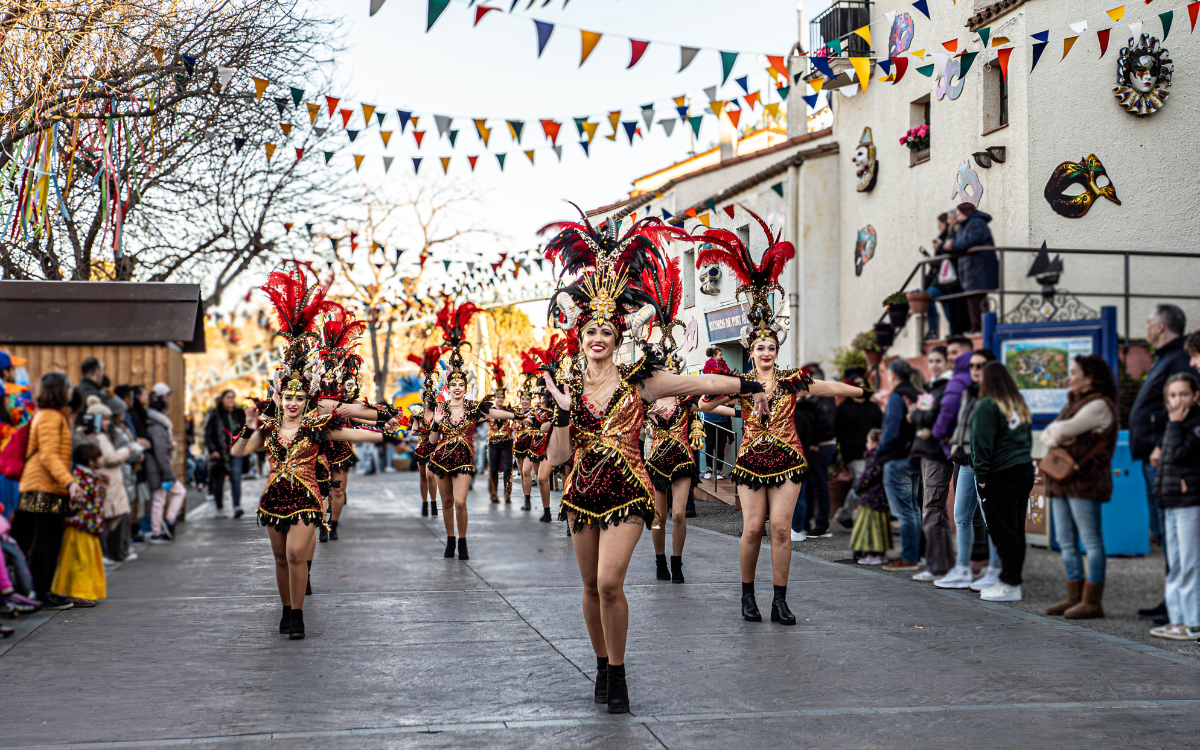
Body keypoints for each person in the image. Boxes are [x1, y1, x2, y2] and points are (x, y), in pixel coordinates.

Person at [538, 210, 777, 714]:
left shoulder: (639, 380)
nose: (598, 337)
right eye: (590, 332)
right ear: (579, 340)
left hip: (628, 488)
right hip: (580, 491)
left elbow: (699, 384)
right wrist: (561, 415)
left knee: (609, 582)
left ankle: (620, 674)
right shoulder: (571, 389)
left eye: (606, 329)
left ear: (618, 334)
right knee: (587, 586)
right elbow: (558, 458)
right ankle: (601, 665)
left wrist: (750, 384)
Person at [688, 210, 867, 626]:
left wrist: (862, 391)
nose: (766, 352)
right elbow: (703, 406)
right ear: (751, 351)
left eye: (771, 346)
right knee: (753, 529)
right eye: (760, 347)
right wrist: (730, 399)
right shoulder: (741, 382)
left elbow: (827, 387)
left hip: (788, 457)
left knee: (782, 530)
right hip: (750, 458)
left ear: (777, 350)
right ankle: (747, 596)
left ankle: (780, 600)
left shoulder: (790, 381)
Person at [427, 300, 519, 561]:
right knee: (446, 503)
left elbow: (495, 412)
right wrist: (436, 421)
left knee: (459, 502)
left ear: (465, 386)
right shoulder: (440, 407)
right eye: (453, 382)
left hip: (464, 457)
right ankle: (450, 539)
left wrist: (519, 414)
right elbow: (433, 439)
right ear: (449, 385)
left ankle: (463, 541)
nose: (456, 386)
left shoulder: (472, 407)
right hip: (441, 458)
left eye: (460, 383)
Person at [1129, 305, 1198, 623]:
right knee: (1163, 530)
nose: (1145, 326)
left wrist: (1160, 445)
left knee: (1176, 535)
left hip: (1166, 456)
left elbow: (1183, 406)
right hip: (1155, 457)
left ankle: (1181, 606)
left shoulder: (1179, 358)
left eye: (1147, 321)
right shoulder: (1164, 358)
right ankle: (1173, 599)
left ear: (1159, 325)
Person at [1040, 355, 1119, 619]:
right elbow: (1048, 434)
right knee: (1065, 538)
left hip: (1086, 482)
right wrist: (1058, 431)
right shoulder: (1075, 403)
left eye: (1074, 372)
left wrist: (1059, 432)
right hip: (1064, 480)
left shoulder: (1099, 405)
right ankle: (1074, 596)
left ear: (1090, 377)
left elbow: (1060, 433)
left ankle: (1092, 601)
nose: (1069, 377)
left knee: (1090, 539)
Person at [935, 345, 1005, 590]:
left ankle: (996, 570)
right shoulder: (970, 392)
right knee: (961, 517)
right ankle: (963, 568)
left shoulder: (996, 396)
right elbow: (960, 427)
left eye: (980, 365)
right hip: (965, 461)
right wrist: (952, 451)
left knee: (990, 518)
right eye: (972, 366)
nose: (975, 370)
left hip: (985, 463)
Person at [13, 372, 80, 609]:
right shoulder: (51, 417)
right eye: (68, 386)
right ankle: (42, 592)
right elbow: (49, 455)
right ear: (58, 390)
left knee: (46, 539)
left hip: (46, 487)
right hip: (43, 488)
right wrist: (70, 482)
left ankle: (44, 590)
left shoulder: (51, 414)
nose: (71, 390)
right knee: (44, 539)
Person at [971, 361, 1035, 602]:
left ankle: (1010, 583)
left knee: (1003, 532)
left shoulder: (987, 404)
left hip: (1001, 472)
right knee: (1016, 531)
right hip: (1023, 469)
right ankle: (1012, 580)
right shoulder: (1017, 404)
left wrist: (981, 476)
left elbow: (981, 442)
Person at [1150, 373, 1200, 640]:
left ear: (1195, 396)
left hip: (1190, 501)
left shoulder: (1191, 424)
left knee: (1190, 563)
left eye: (1183, 394)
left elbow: (1179, 454)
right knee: (1176, 563)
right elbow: (1163, 461)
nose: (1177, 400)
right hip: (1170, 500)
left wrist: (1176, 424)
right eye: (1172, 395)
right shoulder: (1172, 424)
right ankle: (1177, 619)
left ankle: (1193, 622)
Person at [908, 346, 955, 581]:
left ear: (947, 362)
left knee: (932, 509)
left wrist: (917, 414)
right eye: (932, 360)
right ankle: (945, 564)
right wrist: (920, 414)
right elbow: (922, 414)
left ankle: (938, 567)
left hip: (938, 453)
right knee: (937, 510)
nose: (934, 364)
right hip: (930, 452)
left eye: (939, 360)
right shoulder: (933, 385)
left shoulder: (945, 386)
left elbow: (925, 416)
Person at [877, 359, 923, 570]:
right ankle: (917, 553)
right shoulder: (915, 393)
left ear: (893, 375)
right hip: (915, 458)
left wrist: (879, 451)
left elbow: (891, 431)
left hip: (897, 460)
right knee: (913, 509)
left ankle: (909, 557)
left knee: (905, 511)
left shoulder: (897, 397)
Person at [49, 442, 107, 606]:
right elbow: (78, 503)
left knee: (85, 561)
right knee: (78, 562)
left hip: (86, 525)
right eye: (99, 457)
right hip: (80, 526)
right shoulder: (82, 479)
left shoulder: (87, 477)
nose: (101, 460)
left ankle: (83, 591)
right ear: (90, 462)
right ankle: (76, 593)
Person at [88, 396, 143, 565]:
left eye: (107, 419)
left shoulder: (102, 436)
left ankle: (115, 552)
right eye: (103, 419)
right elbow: (109, 459)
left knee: (115, 519)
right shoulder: (99, 438)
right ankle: (112, 553)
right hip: (108, 483)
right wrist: (126, 451)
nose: (106, 423)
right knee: (109, 520)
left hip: (112, 483)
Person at [832, 368, 883, 529]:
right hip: (852, 453)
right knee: (864, 480)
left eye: (862, 383)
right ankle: (867, 520)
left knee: (864, 482)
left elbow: (880, 427)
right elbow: (837, 430)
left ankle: (845, 513)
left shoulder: (873, 406)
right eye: (856, 383)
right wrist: (839, 456)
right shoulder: (844, 407)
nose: (860, 385)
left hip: (873, 452)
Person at [793, 363, 838, 541]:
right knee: (811, 485)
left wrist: (813, 443)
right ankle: (807, 523)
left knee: (819, 485)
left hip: (821, 446)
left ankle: (822, 525)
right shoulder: (814, 396)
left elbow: (825, 423)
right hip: (814, 445)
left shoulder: (824, 396)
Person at [945, 202, 997, 334]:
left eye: (959, 214)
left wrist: (954, 245)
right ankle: (978, 328)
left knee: (977, 300)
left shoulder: (976, 223)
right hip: (972, 269)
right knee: (974, 300)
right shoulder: (966, 225)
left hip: (978, 269)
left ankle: (980, 329)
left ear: (965, 213)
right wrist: (953, 245)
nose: (957, 217)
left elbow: (972, 241)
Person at [144, 383, 183, 544]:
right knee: (173, 494)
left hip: (156, 468)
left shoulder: (155, 423)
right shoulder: (157, 425)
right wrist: (169, 473)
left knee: (159, 499)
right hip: (159, 469)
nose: (169, 399)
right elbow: (160, 452)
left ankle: (159, 530)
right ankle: (164, 525)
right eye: (167, 396)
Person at [407, 346, 442, 517]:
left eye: (431, 398)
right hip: (422, 447)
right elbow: (414, 431)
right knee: (422, 476)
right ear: (423, 400)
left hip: (435, 447)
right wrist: (419, 430)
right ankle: (424, 502)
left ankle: (434, 503)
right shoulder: (418, 413)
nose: (428, 401)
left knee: (430, 475)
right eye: (426, 399)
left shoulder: (438, 413)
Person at [204, 390, 246, 519]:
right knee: (219, 481)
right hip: (220, 453)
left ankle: (237, 506)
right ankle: (220, 508)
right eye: (228, 397)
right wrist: (212, 450)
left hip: (235, 452)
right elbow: (208, 434)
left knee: (235, 478)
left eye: (233, 397)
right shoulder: (215, 415)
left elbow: (245, 430)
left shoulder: (238, 413)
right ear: (222, 399)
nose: (231, 400)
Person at [850, 429, 890, 564]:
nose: (866, 444)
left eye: (868, 441)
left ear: (873, 443)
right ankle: (880, 554)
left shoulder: (874, 456)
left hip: (872, 498)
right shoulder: (883, 455)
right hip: (881, 497)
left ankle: (873, 555)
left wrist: (856, 488)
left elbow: (867, 476)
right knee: (881, 527)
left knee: (870, 528)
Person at [924, 212, 966, 339]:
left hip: (948, 281)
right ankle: (935, 330)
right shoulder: (946, 237)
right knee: (945, 306)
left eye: (940, 225)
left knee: (931, 298)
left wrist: (938, 251)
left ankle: (940, 331)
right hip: (944, 280)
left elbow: (948, 258)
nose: (938, 228)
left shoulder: (953, 234)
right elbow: (942, 263)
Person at [701, 352, 734, 480]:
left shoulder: (726, 386)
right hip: (710, 419)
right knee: (709, 444)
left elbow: (731, 402)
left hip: (723, 419)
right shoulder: (707, 385)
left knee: (721, 446)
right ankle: (709, 468)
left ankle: (719, 470)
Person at [485, 361, 514, 505]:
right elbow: (480, 418)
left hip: (507, 442)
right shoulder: (489, 409)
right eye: (498, 397)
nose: (500, 399)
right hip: (493, 442)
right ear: (495, 398)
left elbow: (517, 417)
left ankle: (507, 494)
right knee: (493, 469)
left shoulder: (509, 409)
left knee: (508, 467)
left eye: (502, 397)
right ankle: (494, 494)